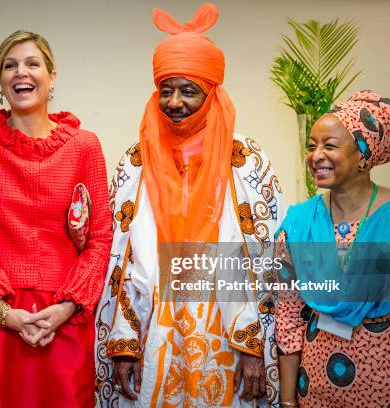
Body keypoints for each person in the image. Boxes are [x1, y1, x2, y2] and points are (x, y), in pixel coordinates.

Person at [95, 4, 286, 407]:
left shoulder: (247, 161)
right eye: (166, 90)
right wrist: (124, 342)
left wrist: (253, 347)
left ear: (212, 92)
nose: (175, 102)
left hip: (226, 332)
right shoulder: (135, 162)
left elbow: (265, 258)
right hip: (154, 329)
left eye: (188, 90)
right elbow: (123, 257)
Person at [0, 31, 112, 407]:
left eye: (32, 63)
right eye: (10, 65)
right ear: (1, 82)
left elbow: (101, 240)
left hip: (63, 319)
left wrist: (67, 308)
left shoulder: (85, 146)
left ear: (52, 77)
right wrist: (6, 314)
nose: (21, 72)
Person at [275, 90, 390, 407]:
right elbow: (289, 320)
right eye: (312, 146)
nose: (316, 155)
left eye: (329, 145)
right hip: (319, 389)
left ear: (363, 153)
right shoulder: (299, 223)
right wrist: (288, 399)